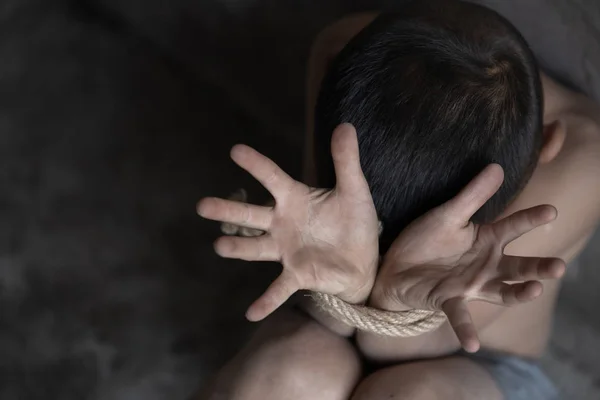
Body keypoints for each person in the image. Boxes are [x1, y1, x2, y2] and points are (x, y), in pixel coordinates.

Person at [197, 0, 600, 398]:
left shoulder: (583, 165)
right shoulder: (345, 55)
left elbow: (415, 345)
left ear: (547, 144)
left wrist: (393, 299)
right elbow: (325, 269)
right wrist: (344, 287)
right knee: (288, 373)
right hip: (333, 316)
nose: (388, 247)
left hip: (467, 356)